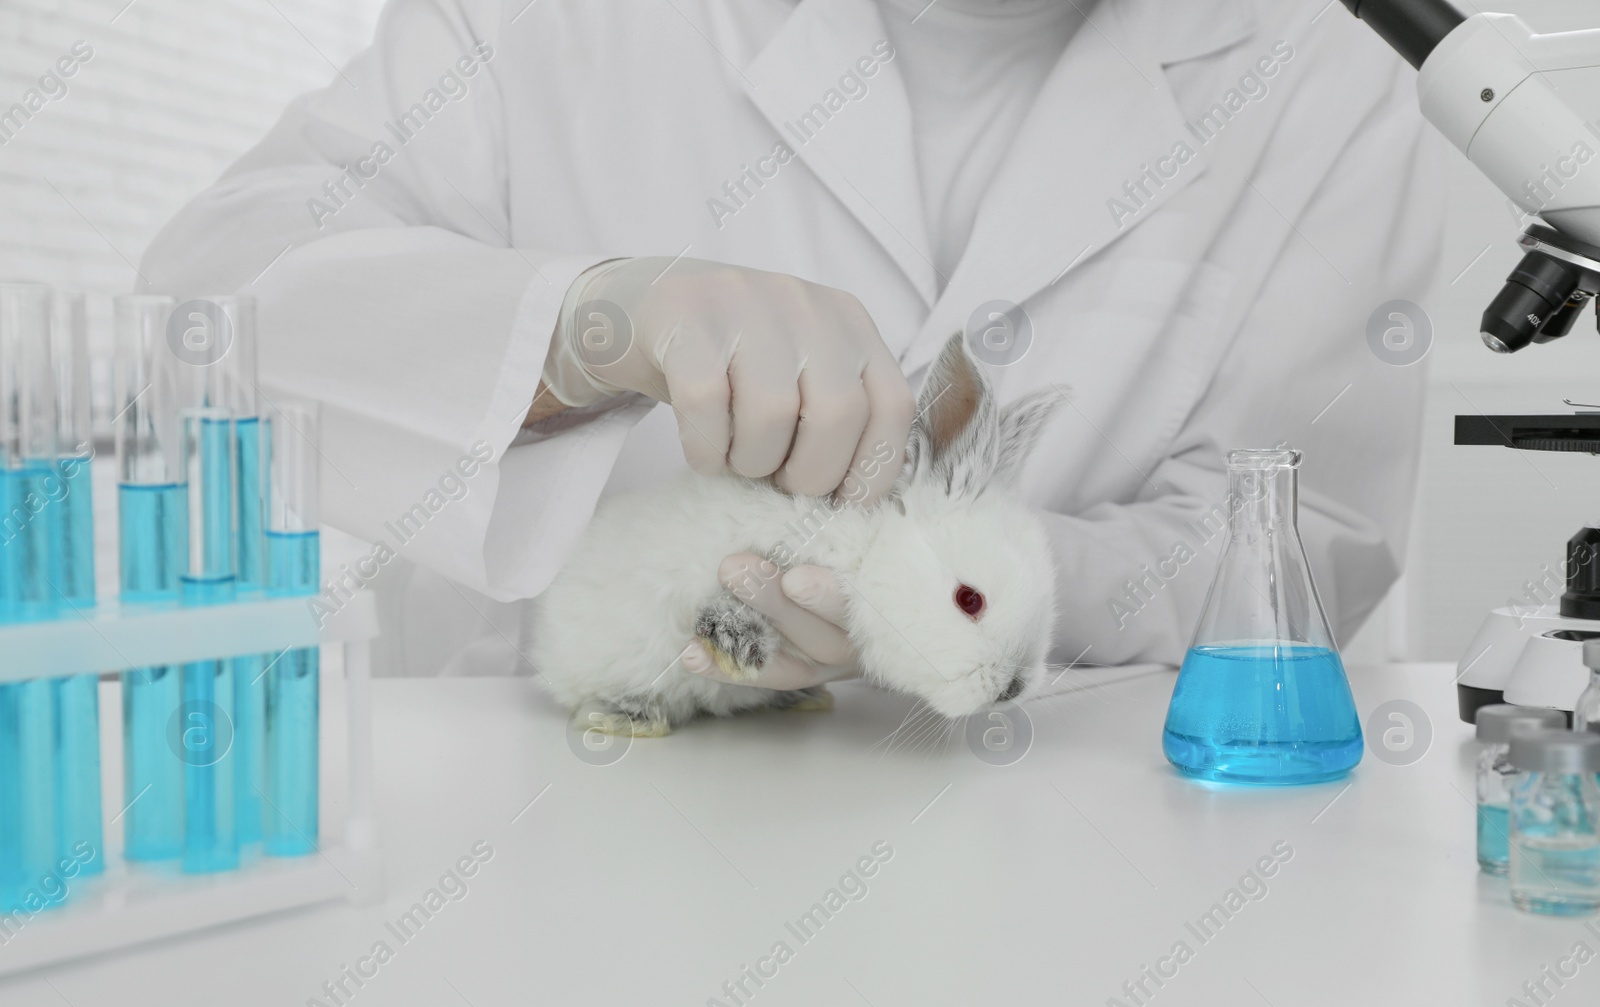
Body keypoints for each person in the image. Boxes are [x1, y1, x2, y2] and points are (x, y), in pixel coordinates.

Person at [141, 0, 1443, 684]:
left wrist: (969, 587)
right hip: (531, 831)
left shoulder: (1328, 66)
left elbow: (1302, 539)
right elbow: (205, 313)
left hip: (1069, 855)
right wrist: (591, 325)